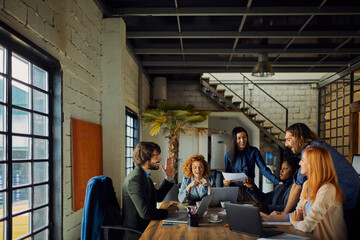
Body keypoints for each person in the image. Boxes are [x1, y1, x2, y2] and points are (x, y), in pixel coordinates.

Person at [278, 123, 360, 239]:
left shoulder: (311, 152)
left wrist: (284, 213)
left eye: (289, 140)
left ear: (300, 138)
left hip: (348, 193)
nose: (286, 144)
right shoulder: (315, 147)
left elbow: (297, 186)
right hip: (351, 190)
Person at [262, 146, 347, 239]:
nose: (299, 163)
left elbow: (307, 226)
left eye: (302, 160)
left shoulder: (327, 189)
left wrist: (294, 222)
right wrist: (267, 218)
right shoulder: (307, 184)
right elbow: (297, 214)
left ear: (313, 164)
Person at [122, 142, 179, 236]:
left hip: (148, 226)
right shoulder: (135, 179)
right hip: (138, 233)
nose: (160, 159)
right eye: (156, 156)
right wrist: (168, 211)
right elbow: (145, 213)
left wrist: (168, 177)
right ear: (144, 158)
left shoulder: (144, 176)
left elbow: (157, 197)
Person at [223, 127, 279, 200]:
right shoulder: (228, 155)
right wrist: (226, 182)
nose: (242, 140)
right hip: (234, 190)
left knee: (255, 208)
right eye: (239, 138)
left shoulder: (254, 151)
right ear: (234, 140)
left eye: (244, 137)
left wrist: (277, 183)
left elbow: (264, 170)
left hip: (250, 188)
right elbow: (227, 175)